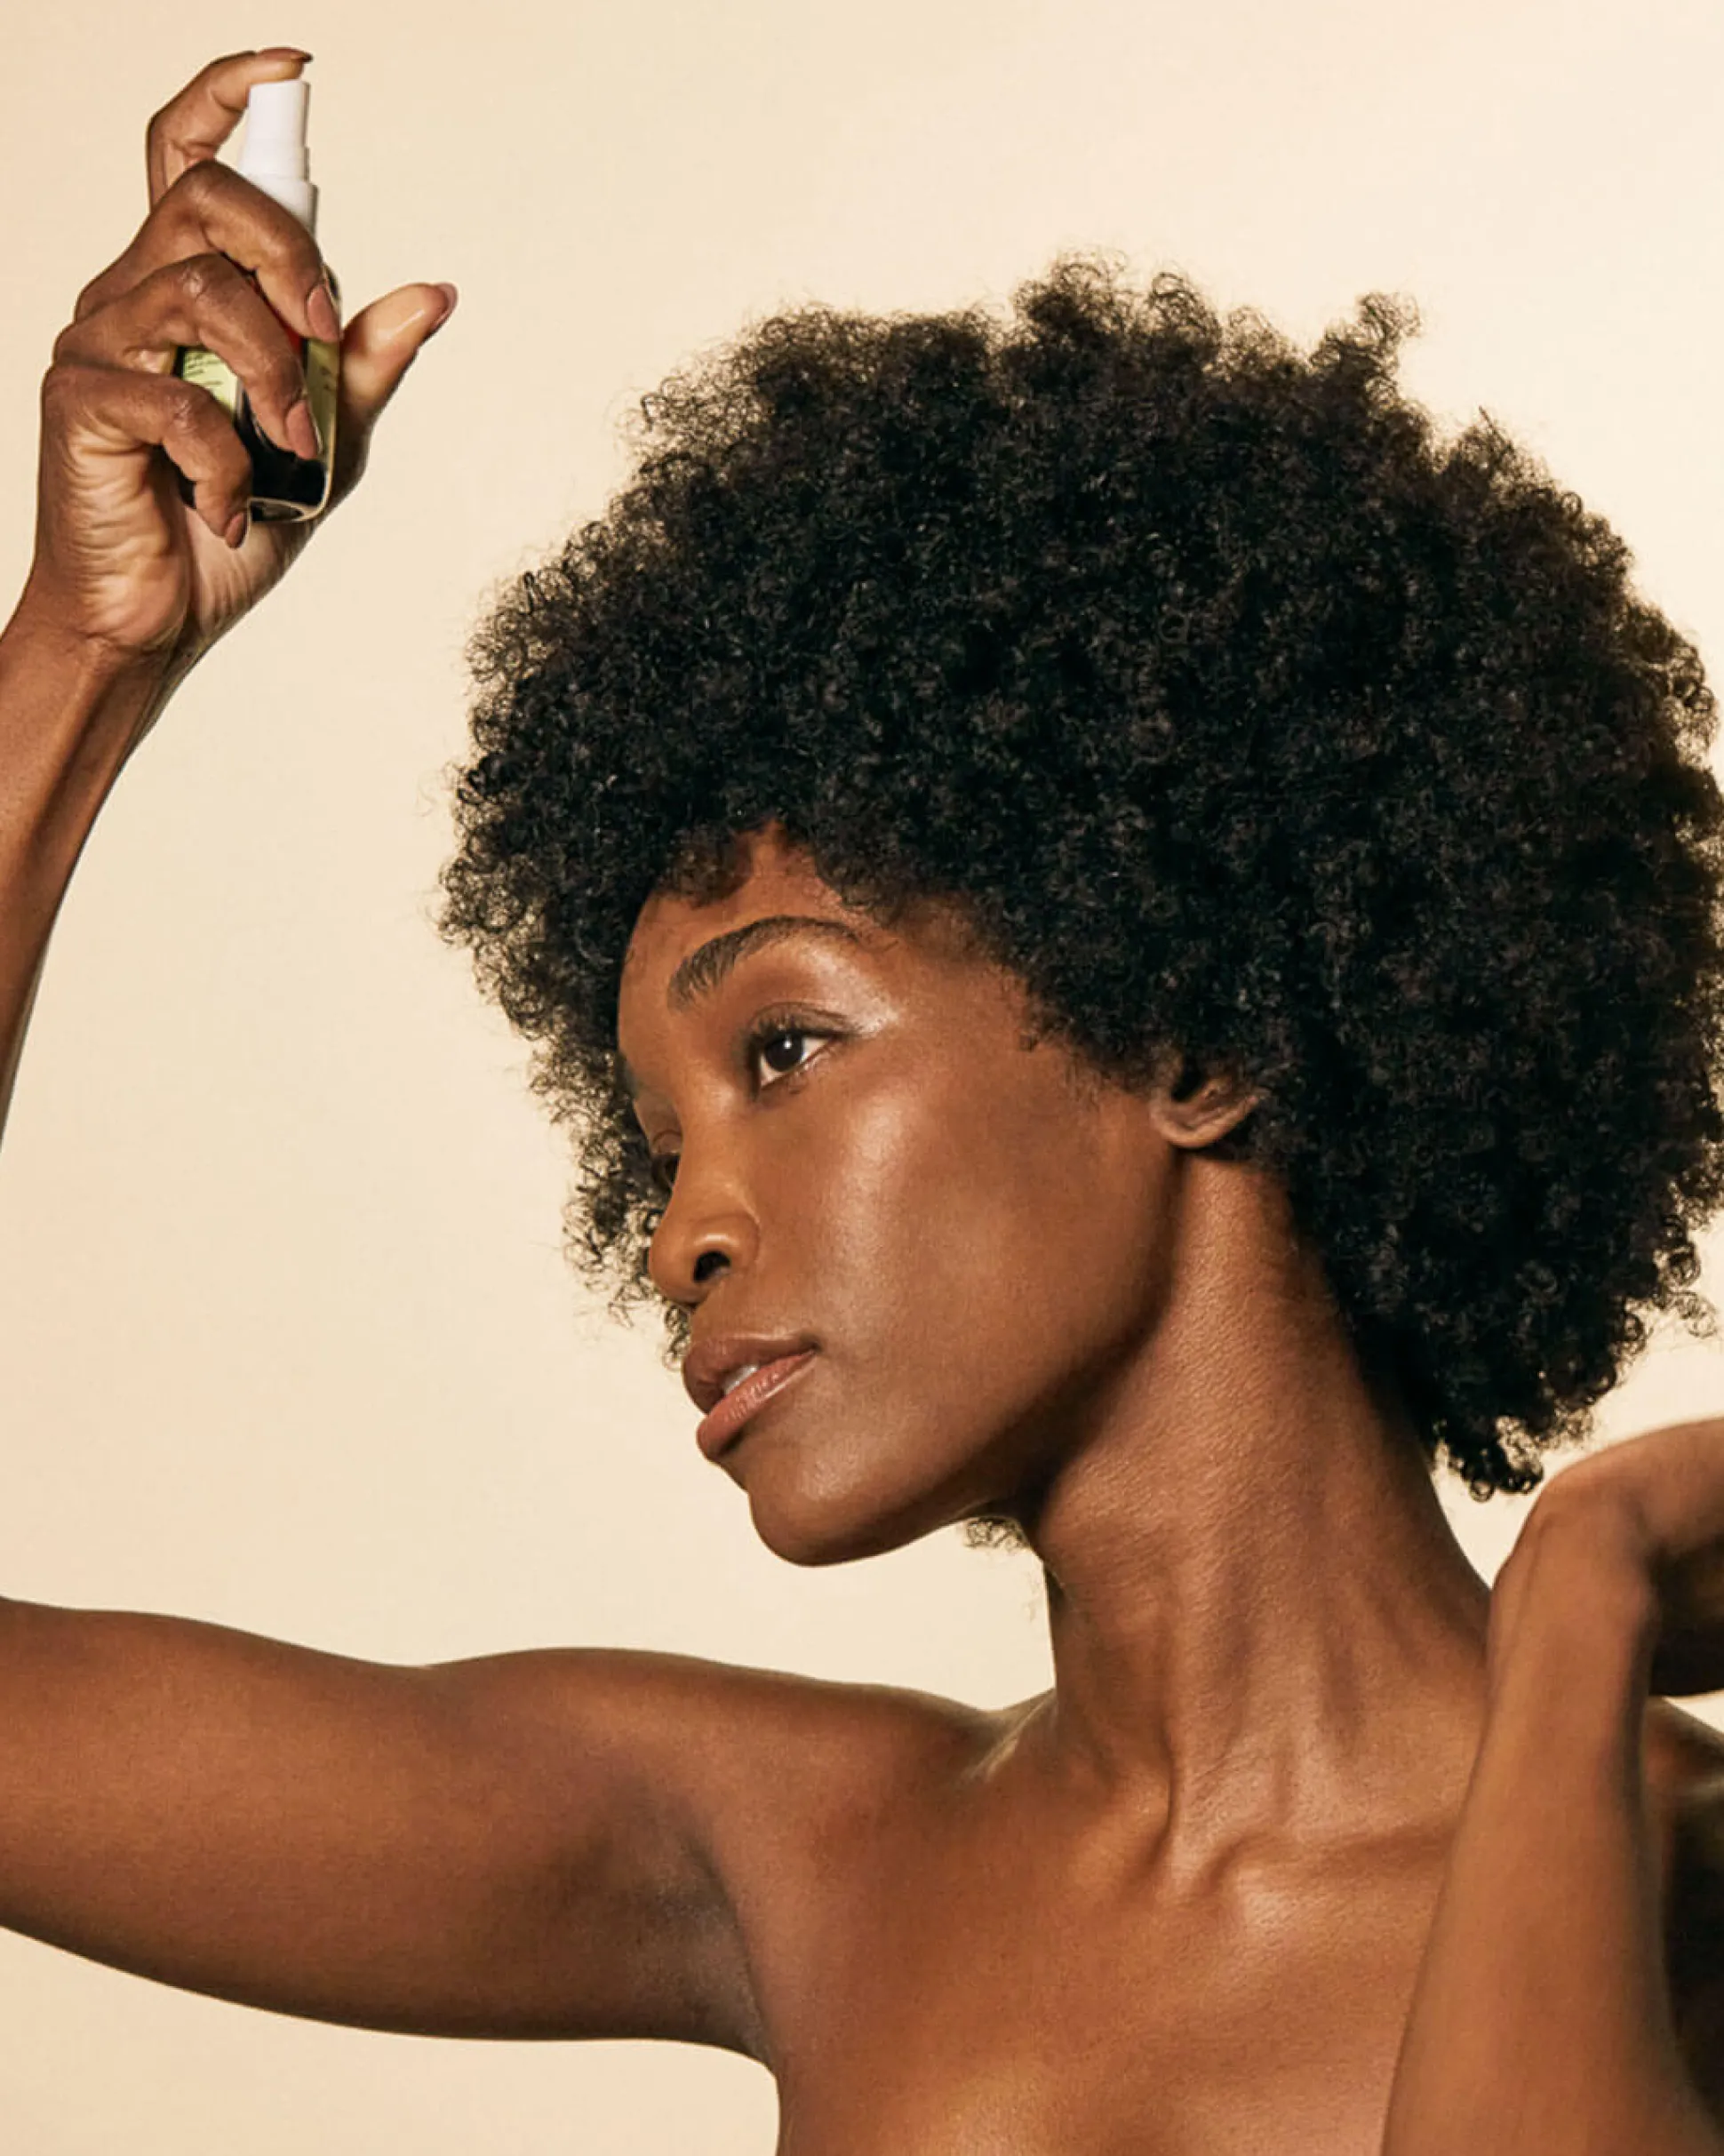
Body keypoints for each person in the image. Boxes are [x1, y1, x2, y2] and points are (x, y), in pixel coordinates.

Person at [2, 45, 1721, 2154]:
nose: (676, 1238)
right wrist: (82, 655)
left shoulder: (1692, 1884)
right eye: (657, 1146)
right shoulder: (801, 1862)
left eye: (784, 1050)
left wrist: (1582, 1605)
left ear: (1197, 1030)